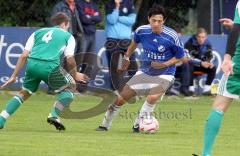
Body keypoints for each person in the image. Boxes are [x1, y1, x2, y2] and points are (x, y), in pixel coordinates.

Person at [95, 4, 185, 132]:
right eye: (154, 20)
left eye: (159, 21)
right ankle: (104, 125)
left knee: (152, 97)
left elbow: (180, 56)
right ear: (149, 18)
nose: (156, 24)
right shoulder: (141, 31)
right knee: (120, 99)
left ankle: (138, 125)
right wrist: (126, 58)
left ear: (164, 21)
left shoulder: (172, 36)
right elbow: (133, 44)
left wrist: (164, 64)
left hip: (166, 73)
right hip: (145, 71)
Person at [0, 13, 88, 130]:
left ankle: (1, 118)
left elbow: (23, 55)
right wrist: (75, 74)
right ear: (64, 24)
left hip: (32, 65)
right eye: (68, 25)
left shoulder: (37, 32)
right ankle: (54, 115)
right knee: (71, 86)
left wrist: (14, 76)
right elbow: (70, 59)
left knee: (24, 92)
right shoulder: (68, 36)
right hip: (49, 67)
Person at [197, 2, 239, 155]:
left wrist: (227, 58)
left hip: (238, 65)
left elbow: (237, 31)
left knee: (218, 107)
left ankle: (206, 154)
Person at [104, 0, 137, 93]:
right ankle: (116, 90)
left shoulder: (129, 3)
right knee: (113, 65)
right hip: (112, 39)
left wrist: (119, 18)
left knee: (131, 64)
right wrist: (117, 7)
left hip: (126, 39)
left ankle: (135, 88)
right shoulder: (109, 3)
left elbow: (132, 20)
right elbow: (111, 20)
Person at [183, 28, 216, 95]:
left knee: (213, 67)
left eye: (203, 37)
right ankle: (191, 89)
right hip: (191, 65)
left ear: (205, 37)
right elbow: (188, 58)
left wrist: (209, 63)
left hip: (201, 65)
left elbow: (209, 56)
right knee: (189, 65)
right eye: (199, 37)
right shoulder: (189, 43)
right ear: (196, 37)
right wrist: (200, 63)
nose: (201, 39)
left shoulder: (208, 44)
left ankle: (206, 89)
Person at [76, 0, 102, 85]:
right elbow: (83, 19)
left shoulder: (94, 4)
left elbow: (99, 18)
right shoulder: (79, 3)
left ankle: (83, 85)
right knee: (79, 59)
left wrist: (89, 17)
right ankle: (73, 84)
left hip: (92, 35)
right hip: (83, 35)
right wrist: (93, 17)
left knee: (88, 61)